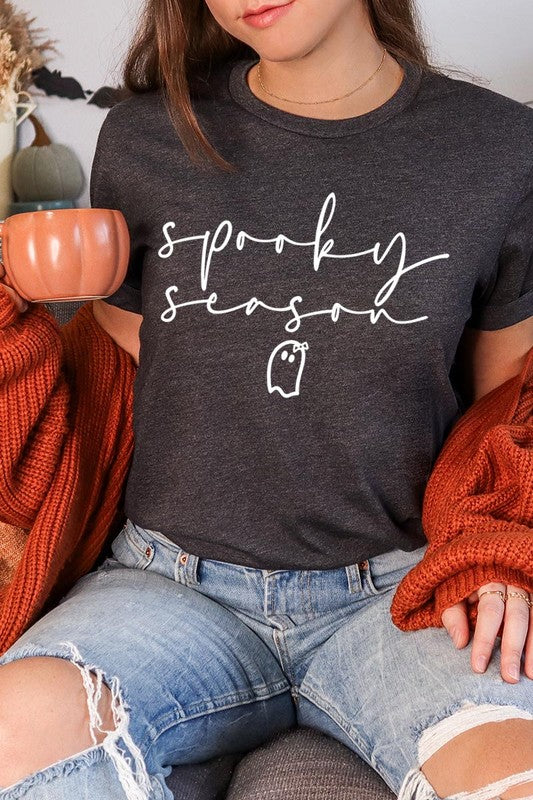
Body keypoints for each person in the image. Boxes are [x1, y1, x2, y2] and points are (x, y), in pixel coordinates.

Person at [0, 1, 532, 799]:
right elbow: (124, 355)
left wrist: (499, 544)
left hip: (395, 594)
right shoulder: (147, 137)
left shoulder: (500, 148)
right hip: (166, 586)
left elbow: (511, 407)